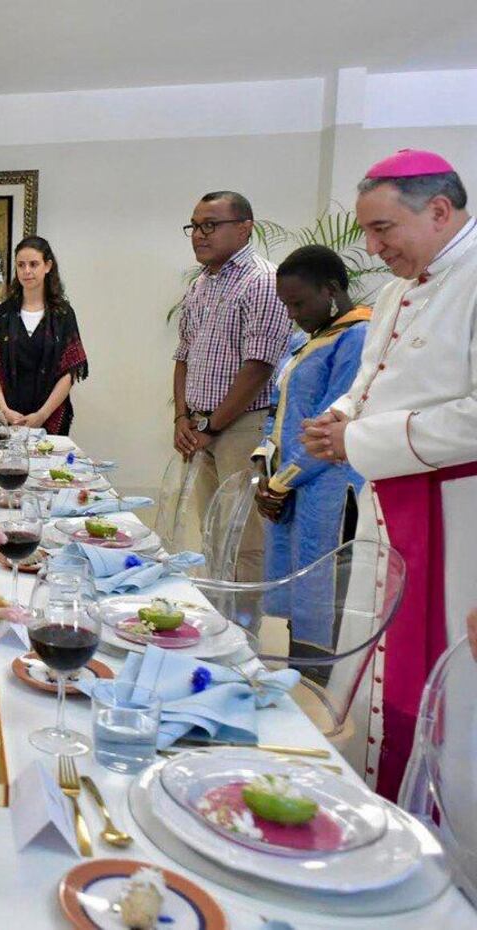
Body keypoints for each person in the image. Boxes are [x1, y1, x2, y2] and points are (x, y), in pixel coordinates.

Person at [301, 149, 477, 798]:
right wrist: (340, 416)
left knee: (437, 684)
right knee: (371, 656)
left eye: (382, 229)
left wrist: (360, 438)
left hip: (454, 514)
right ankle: (370, 795)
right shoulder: (403, 287)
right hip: (390, 498)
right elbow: (373, 380)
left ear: (438, 210)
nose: (372, 249)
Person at [252, 245, 371, 651]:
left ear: (332, 290)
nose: (292, 314)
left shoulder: (358, 338)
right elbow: (279, 410)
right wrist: (265, 473)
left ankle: (319, 687)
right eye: (287, 304)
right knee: (294, 590)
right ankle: (297, 676)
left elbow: (331, 423)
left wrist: (282, 483)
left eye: (299, 303)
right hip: (291, 486)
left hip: (329, 485)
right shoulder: (307, 341)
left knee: (322, 592)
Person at [172, 191, 292, 581]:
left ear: (245, 228)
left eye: (210, 225)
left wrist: (213, 426)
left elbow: (258, 367)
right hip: (199, 427)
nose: (198, 234)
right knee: (210, 531)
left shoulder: (264, 282)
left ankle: (242, 635)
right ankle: (215, 621)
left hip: (242, 426)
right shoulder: (202, 285)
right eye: (194, 226)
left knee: (243, 539)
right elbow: (183, 356)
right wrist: (182, 418)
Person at [0, 235, 88, 434]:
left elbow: (70, 372)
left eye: (34, 264)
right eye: (21, 265)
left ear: (48, 266)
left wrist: (42, 415)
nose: (26, 271)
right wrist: (3, 410)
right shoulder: (4, 313)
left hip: (50, 419)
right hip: (8, 420)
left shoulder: (63, 314)